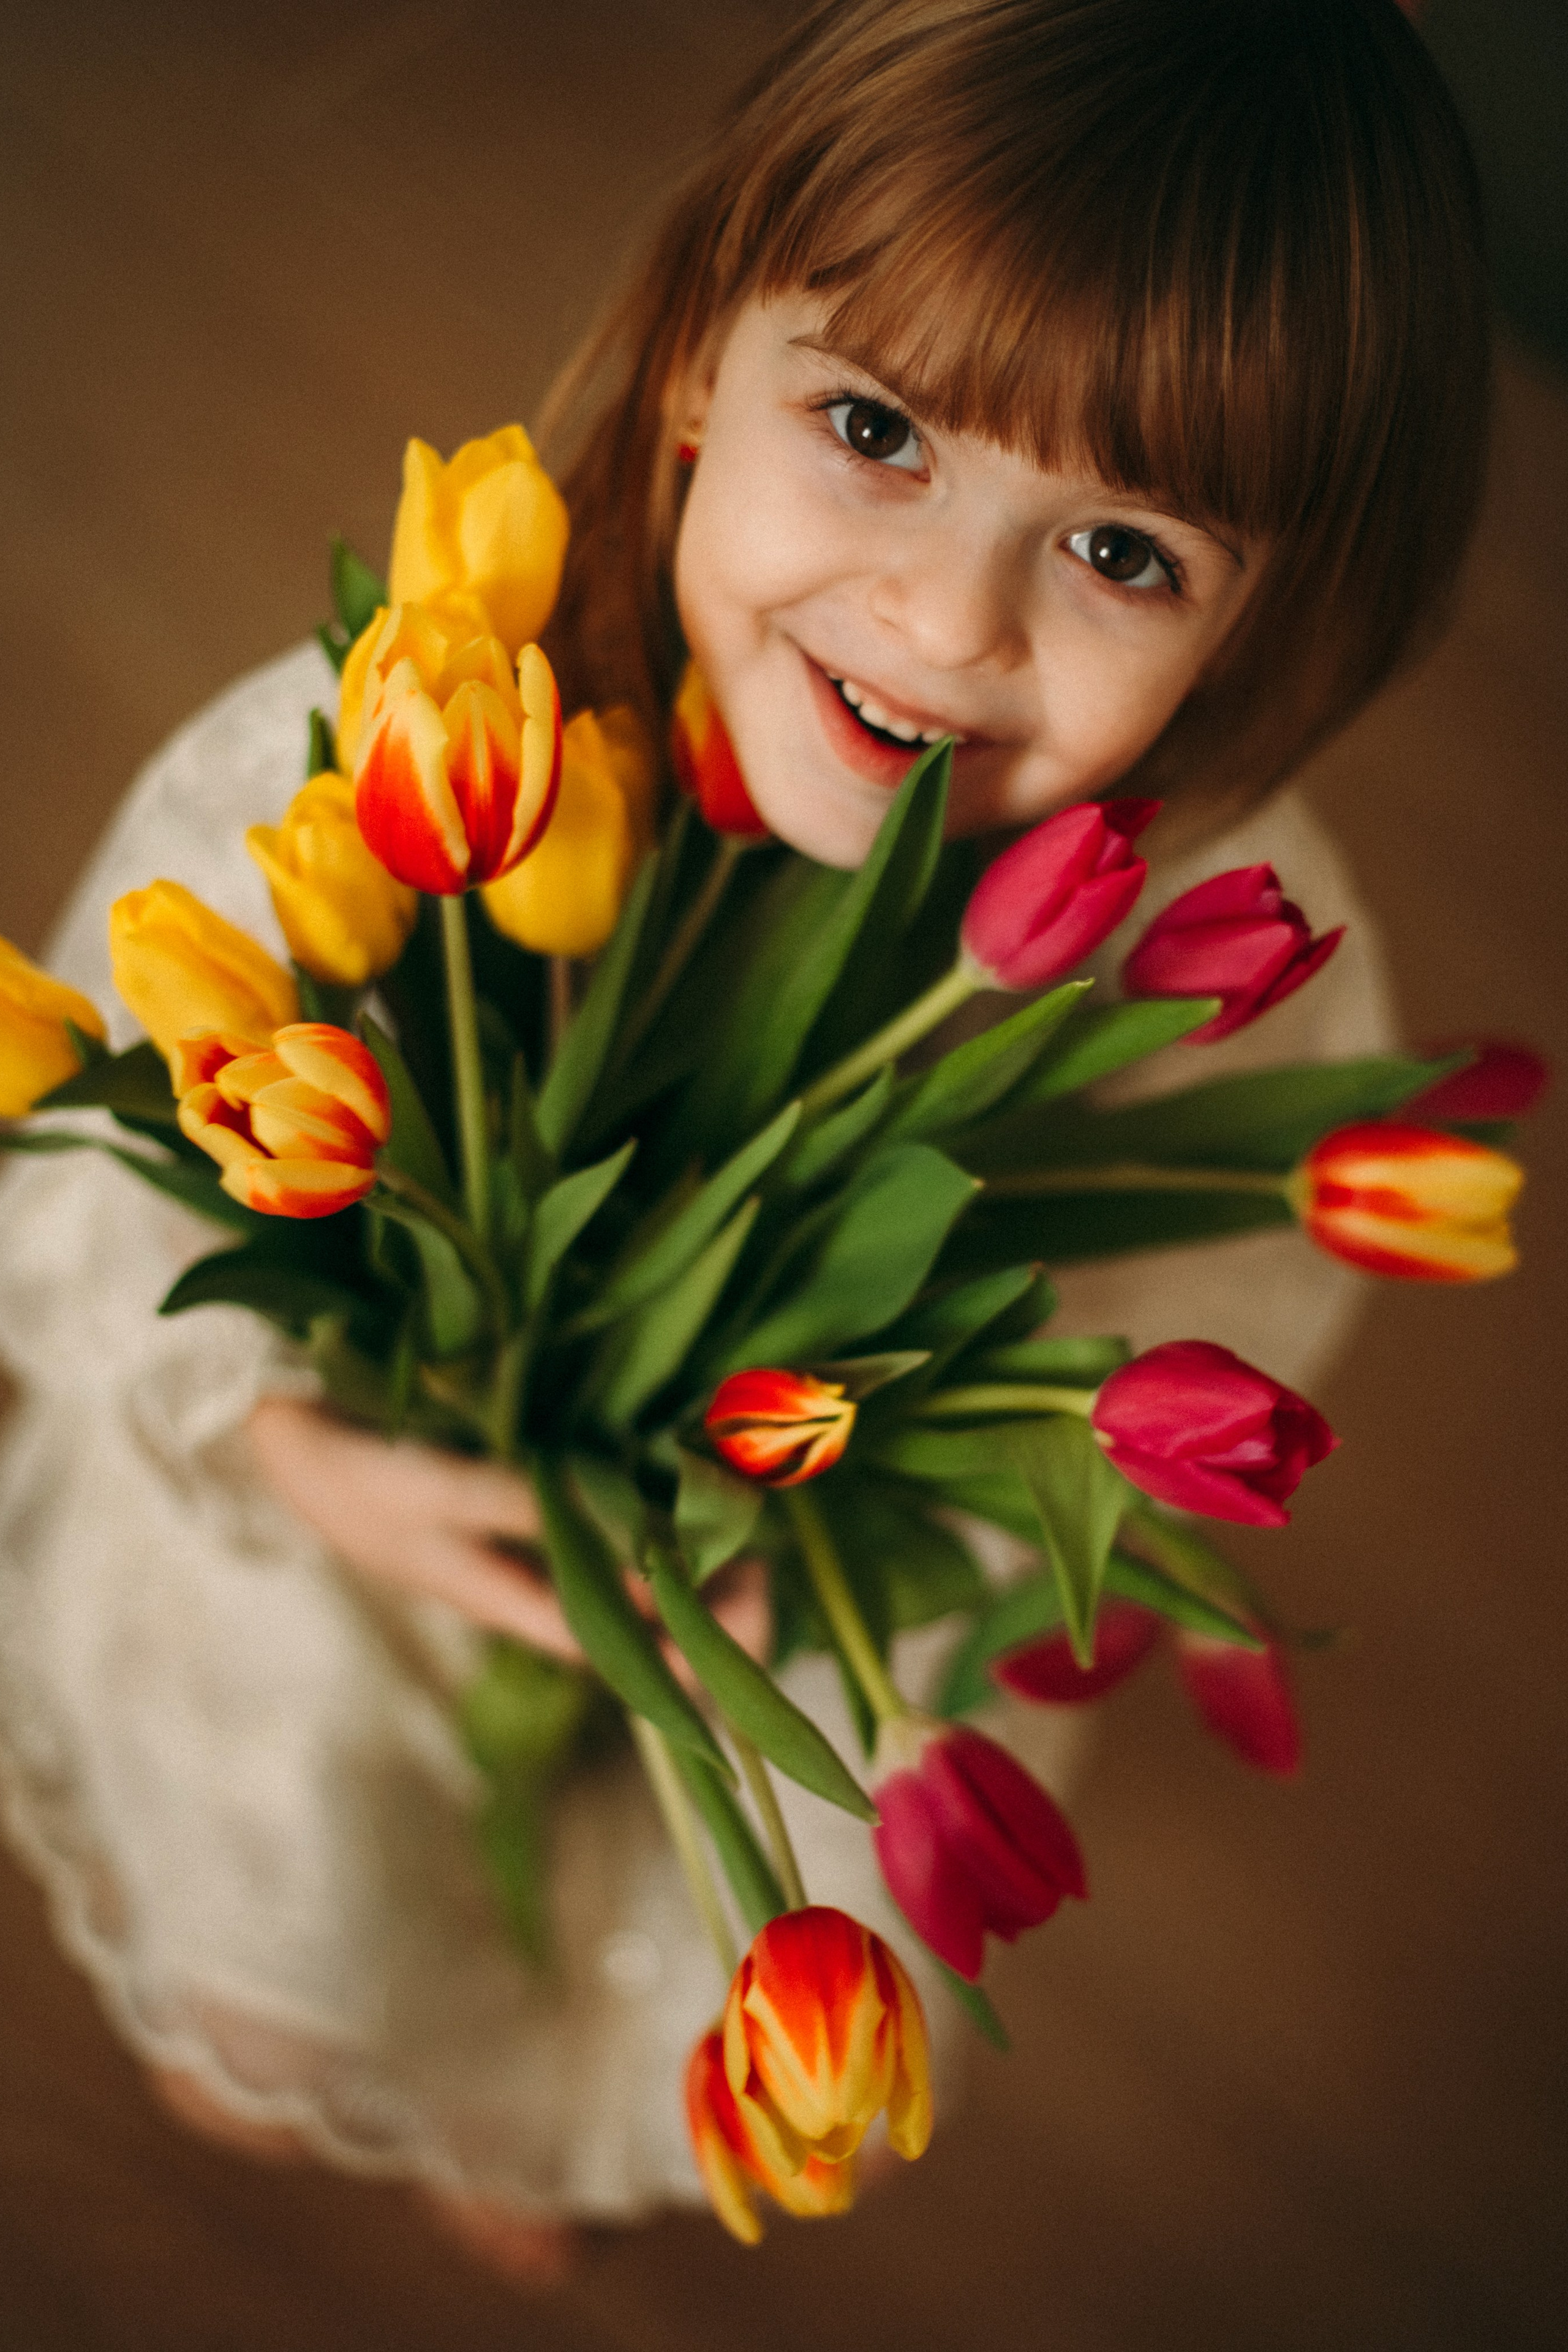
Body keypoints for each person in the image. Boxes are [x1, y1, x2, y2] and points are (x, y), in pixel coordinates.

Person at [0, 0, 1486, 2284]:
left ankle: (512, 2119)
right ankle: (304, 2028)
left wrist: (921, 1540)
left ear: (1267, 615)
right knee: (298, 1887)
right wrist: (286, 1452)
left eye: (1122, 551)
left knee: (612, 1965)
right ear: (702, 359)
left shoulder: (1222, 950)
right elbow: (90, 1138)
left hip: (763, 1634)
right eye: (876, 426)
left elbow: (1209, 1334)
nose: (945, 620)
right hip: (331, 1565)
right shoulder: (403, 726)